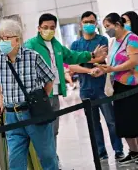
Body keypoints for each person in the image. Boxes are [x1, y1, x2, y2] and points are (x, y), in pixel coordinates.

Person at [24, 13, 107, 168]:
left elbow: (72, 56)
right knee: (42, 132)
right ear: (38, 28)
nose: (49, 30)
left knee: (53, 131)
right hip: (39, 95)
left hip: (54, 93)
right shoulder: (30, 45)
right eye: (45, 28)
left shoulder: (56, 45)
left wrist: (92, 54)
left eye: (52, 28)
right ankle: (47, 163)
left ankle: (52, 161)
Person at [0, 19, 58, 170]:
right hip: (12, 116)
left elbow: (49, 79)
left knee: (47, 157)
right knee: (15, 161)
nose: (2, 41)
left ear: (17, 39)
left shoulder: (33, 57)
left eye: (5, 38)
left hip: (33, 113)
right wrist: (1, 102)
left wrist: (40, 100)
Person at [69, 11, 124, 161]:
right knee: (93, 124)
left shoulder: (103, 40)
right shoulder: (75, 44)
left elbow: (102, 57)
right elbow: (72, 66)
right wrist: (89, 67)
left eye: (91, 22)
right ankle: (101, 152)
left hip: (102, 87)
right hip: (85, 89)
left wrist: (84, 60)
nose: (89, 24)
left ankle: (118, 149)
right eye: (86, 22)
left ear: (96, 23)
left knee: (111, 121)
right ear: (81, 24)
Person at [97, 13, 138, 165]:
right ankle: (133, 151)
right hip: (118, 86)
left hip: (131, 85)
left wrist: (113, 68)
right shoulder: (113, 41)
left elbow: (133, 61)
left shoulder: (132, 38)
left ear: (118, 24)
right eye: (105, 27)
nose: (107, 30)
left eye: (108, 26)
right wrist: (103, 69)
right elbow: (111, 64)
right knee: (123, 121)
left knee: (132, 119)